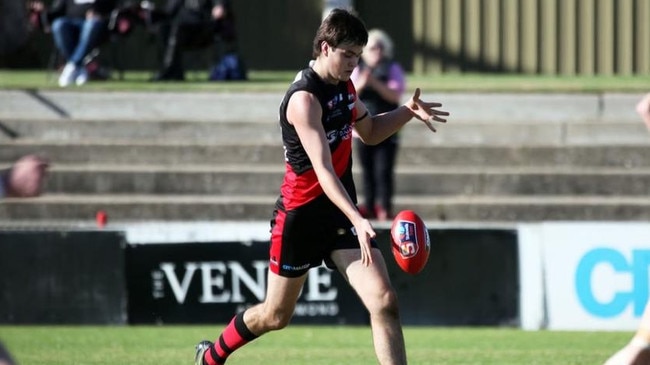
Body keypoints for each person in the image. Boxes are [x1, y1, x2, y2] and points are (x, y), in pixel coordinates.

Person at [193, 8, 448, 365]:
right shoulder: (304, 99)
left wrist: (406, 111)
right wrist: (359, 219)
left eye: (358, 56)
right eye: (348, 55)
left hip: (338, 217)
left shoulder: (344, 88)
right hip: (299, 218)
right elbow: (324, 171)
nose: (353, 64)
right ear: (325, 48)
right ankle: (211, 356)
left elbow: (371, 131)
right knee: (275, 316)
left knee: (385, 301)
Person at [351, 29, 405, 221]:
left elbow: (395, 95)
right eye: (373, 48)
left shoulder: (392, 69)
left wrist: (375, 83)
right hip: (362, 130)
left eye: (380, 48)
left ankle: (385, 206)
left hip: (388, 129)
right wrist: (363, 84)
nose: (377, 52)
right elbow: (350, 94)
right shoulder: (357, 69)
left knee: (384, 170)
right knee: (367, 171)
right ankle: (369, 205)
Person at [29, 0, 118, 87]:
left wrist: (97, 12)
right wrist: (44, 11)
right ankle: (79, 68)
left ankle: (71, 67)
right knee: (58, 24)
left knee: (92, 24)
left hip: (96, 28)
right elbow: (56, 12)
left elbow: (111, 6)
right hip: (71, 26)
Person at [152, 0, 236, 81]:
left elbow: (219, 6)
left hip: (203, 31)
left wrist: (219, 6)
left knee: (177, 29)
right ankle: (174, 72)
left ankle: (168, 70)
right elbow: (169, 11)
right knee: (163, 28)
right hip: (181, 33)